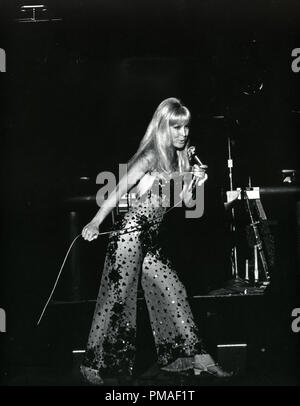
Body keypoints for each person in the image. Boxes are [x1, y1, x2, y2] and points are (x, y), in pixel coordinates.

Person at [80, 97, 232, 384]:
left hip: (150, 241)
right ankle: (92, 366)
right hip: (130, 237)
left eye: (186, 127)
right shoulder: (149, 156)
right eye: (176, 128)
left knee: (175, 290)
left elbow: (187, 203)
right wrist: (95, 222)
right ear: (163, 128)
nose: (183, 133)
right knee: (115, 300)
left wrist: (194, 181)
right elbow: (116, 191)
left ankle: (195, 360)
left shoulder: (181, 157)